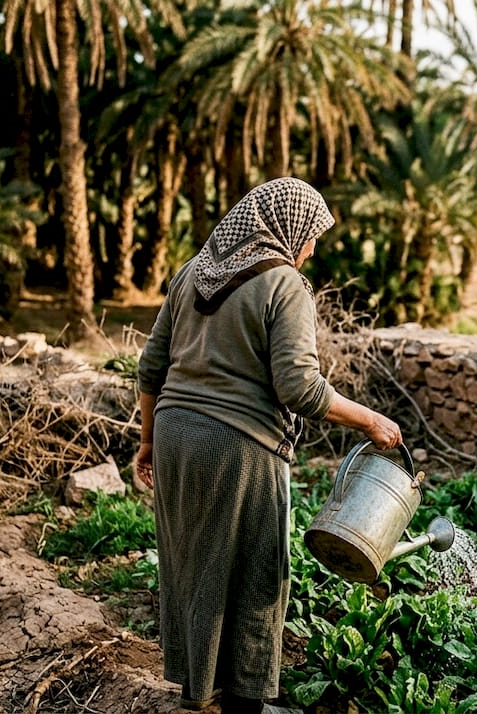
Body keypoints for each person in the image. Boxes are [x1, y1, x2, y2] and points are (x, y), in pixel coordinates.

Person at [134, 177, 402, 714]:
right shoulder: (284, 285)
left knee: (195, 563)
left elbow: (151, 364)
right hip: (239, 446)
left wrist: (144, 440)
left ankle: (199, 687)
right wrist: (370, 420)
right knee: (258, 573)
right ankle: (247, 700)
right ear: (287, 228)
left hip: (172, 435)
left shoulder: (193, 272)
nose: (311, 249)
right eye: (312, 237)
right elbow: (298, 388)